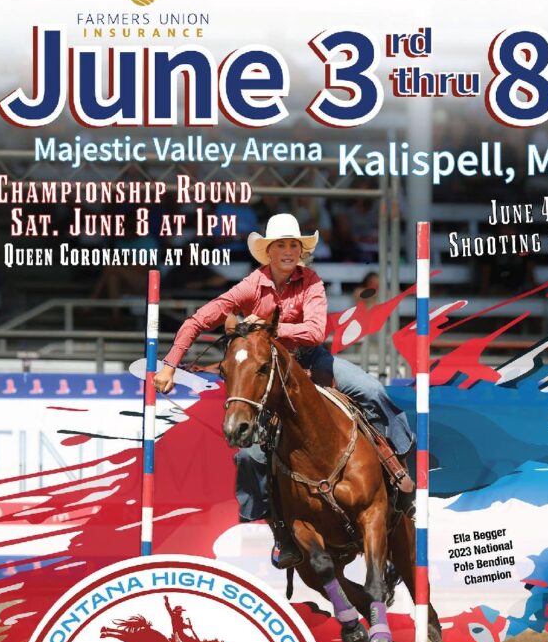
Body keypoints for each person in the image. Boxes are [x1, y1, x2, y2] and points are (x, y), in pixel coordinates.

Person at [153, 213, 414, 568]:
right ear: (269, 251)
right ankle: (273, 527)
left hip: (313, 360)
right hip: (269, 374)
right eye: (282, 245)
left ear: (301, 251)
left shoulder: (312, 282)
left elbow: (315, 332)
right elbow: (200, 319)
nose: (289, 251)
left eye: (294, 245)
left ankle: (400, 471)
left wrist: (267, 329)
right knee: (249, 456)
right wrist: (170, 363)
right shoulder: (250, 285)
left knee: (371, 390)